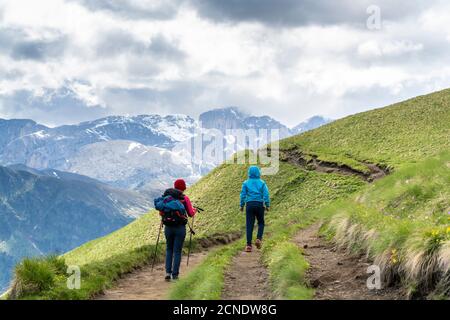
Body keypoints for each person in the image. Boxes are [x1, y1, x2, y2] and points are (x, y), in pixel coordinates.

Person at [159, 179, 196, 281]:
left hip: (168, 227)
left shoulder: (167, 198)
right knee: (177, 251)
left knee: (169, 249)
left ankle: (167, 273)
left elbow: (161, 213)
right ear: (183, 187)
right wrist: (195, 210)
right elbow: (191, 214)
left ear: (174, 186)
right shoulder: (184, 198)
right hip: (180, 228)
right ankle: (175, 276)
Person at [240, 166, 270, 252]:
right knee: (261, 222)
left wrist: (242, 205)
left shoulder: (246, 183)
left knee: (249, 225)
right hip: (259, 204)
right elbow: (266, 194)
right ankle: (258, 238)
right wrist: (267, 205)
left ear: (249, 173)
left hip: (249, 205)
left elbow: (243, 195)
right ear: (258, 172)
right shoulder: (262, 183)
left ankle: (249, 245)